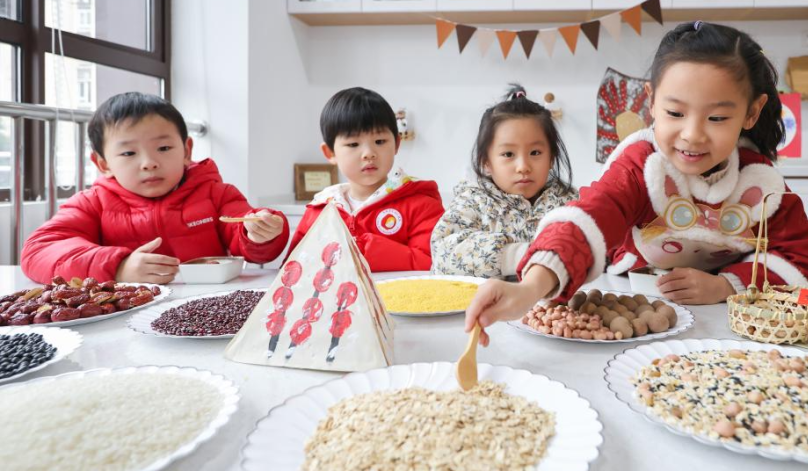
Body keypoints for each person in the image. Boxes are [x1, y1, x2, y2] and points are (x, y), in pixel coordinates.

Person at [466, 21, 808, 343]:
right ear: (652, 103)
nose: (692, 135)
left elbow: (806, 260)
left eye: (717, 118)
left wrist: (725, 286)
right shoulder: (642, 166)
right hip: (642, 312)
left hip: (731, 323)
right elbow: (589, 217)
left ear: (751, 113)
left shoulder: (758, 183)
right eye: (675, 113)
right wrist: (531, 289)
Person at [22, 92, 288, 284]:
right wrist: (118, 267)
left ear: (186, 150)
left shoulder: (216, 194)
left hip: (209, 306)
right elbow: (38, 252)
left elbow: (246, 238)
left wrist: (260, 233)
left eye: (163, 148)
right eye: (128, 153)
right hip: (125, 316)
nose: (149, 163)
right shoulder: (92, 203)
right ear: (103, 164)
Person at [284, 87, 444, 271]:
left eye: (380, 142)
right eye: (353, 144)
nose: (369, 153)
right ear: (330, 152)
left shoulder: (421, 205)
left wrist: (367, 252)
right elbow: (292, 270)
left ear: (396, 144)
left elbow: (433, 265)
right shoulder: (320, 210)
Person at [431, 85, 576, 278]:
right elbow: (443, 253)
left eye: (535, 153)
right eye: (508, 154)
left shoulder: (568, 202)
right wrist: (514, 256)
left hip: (552, 305)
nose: (523, 166)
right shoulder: (473, 201)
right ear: (486, 162)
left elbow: (595, 247)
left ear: (551, 158)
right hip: (484, 306)